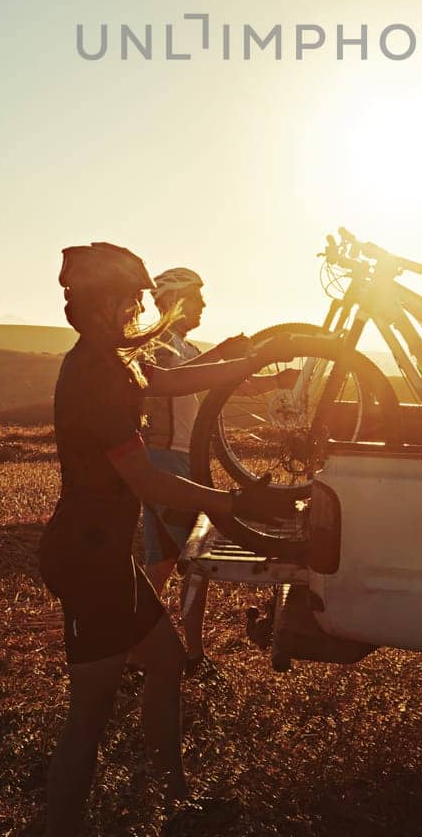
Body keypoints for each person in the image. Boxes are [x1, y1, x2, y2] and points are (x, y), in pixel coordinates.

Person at [38, 241, 281, 837]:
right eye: (129, 302)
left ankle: (175, 805)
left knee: (166, 662)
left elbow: (171, 378)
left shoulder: (114, 359)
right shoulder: (95, 373)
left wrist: (243, 367)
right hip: (88, 560)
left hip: (103, 555)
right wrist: (227, 504)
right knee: (89, 717)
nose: (136, 313)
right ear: (103, 306)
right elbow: (146, 479)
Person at [142, 267, 246, 679]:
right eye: (197, 298)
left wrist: (275, 378)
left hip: (175, 460)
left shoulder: (186, 345)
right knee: (197, 561)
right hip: (168, 461)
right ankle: (194, 655)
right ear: (174, 301)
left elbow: (211, 383)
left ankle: (135, 652)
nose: (204, 304)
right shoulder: (156, 344)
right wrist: (222, 352)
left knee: (161, 565)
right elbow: (176, 383)